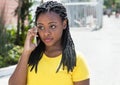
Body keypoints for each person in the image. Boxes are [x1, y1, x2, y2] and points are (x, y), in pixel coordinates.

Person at [9, 1, 89, 85]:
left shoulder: (75, 59)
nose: (46, 32)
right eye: (41, 27)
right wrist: (26, 52)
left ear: (64, 24)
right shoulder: (30, 56)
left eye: (52, 26)